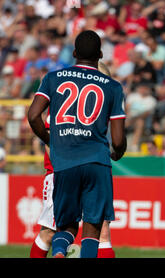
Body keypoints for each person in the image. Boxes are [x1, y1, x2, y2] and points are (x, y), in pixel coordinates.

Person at [27, 30, 127, 258]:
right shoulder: (112, 86)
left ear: (73, 52)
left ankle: (60, 252)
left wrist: (51, 140)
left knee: (65, 226)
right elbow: (119, 139)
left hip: (64, 163)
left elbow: (33, 116)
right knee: (94, 230)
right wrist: (118, 152)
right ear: (101, 54)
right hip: (96, 161)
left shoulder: (54, 78)